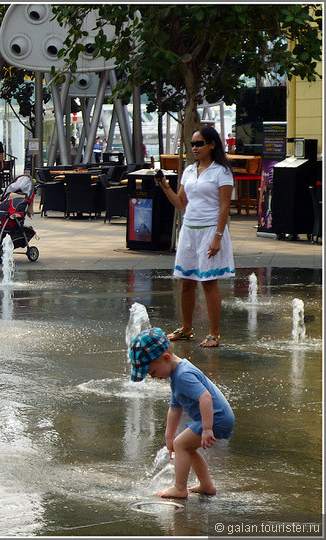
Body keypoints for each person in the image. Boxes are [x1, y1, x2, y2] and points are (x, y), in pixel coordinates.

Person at [129, 327, 234, 499]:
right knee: (187, 448)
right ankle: (207, 486)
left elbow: (205, 397)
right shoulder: (176, 374)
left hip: (216, 419)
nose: (153, 377)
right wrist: (169, 435)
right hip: (216, 418)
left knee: (181, 445)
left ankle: (179, 488)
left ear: (166, 358)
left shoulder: (183, 375)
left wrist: (207, 429)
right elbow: (175, 408)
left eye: (153, 372)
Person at [155, 126, 234, 347]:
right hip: (189, 231)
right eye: (192, 144)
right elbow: (181, 203)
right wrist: (163, 185)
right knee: (186, 282)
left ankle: (214, 333)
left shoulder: (222, 172)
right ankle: (187, 328)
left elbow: (225, 207)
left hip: (211, 230)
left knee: (208, 283)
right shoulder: (190, 170)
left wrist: (218, 237)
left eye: (199, 143)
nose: (194, 148)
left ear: (212, 145)